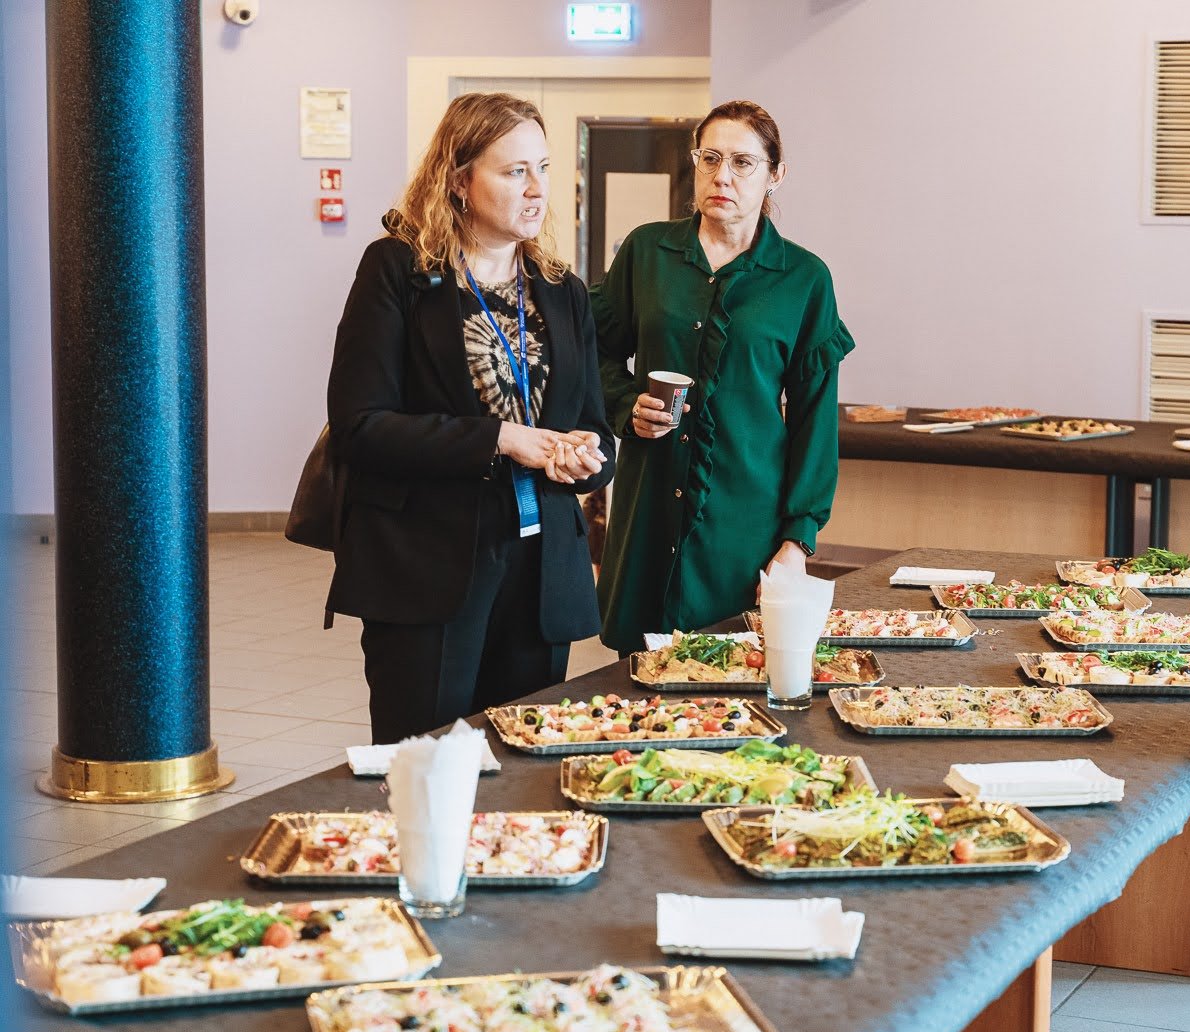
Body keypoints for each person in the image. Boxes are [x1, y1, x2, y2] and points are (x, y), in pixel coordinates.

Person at [325, 92, 615, 744]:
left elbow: (595, 426)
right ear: (459, 180)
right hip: (428, 566)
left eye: (544, 168)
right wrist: (502, 438)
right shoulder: (398, 270)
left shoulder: (563, 290)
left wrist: (586, 456)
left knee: (523, 764)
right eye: (515, 171)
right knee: (425, 762)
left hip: (540, 572)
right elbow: (360, 425)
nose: (537, 189)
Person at [590, 100, 854, 652]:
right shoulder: (646, 252)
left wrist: (797, 541)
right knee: (634, 684)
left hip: (744, 524)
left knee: (734, 678)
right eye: (709, 159)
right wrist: (626, 405)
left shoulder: (805, 279)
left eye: (742, 162)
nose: (722, 176)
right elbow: (594, 355)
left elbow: (814, 420)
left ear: (775, 174)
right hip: (647, 511)